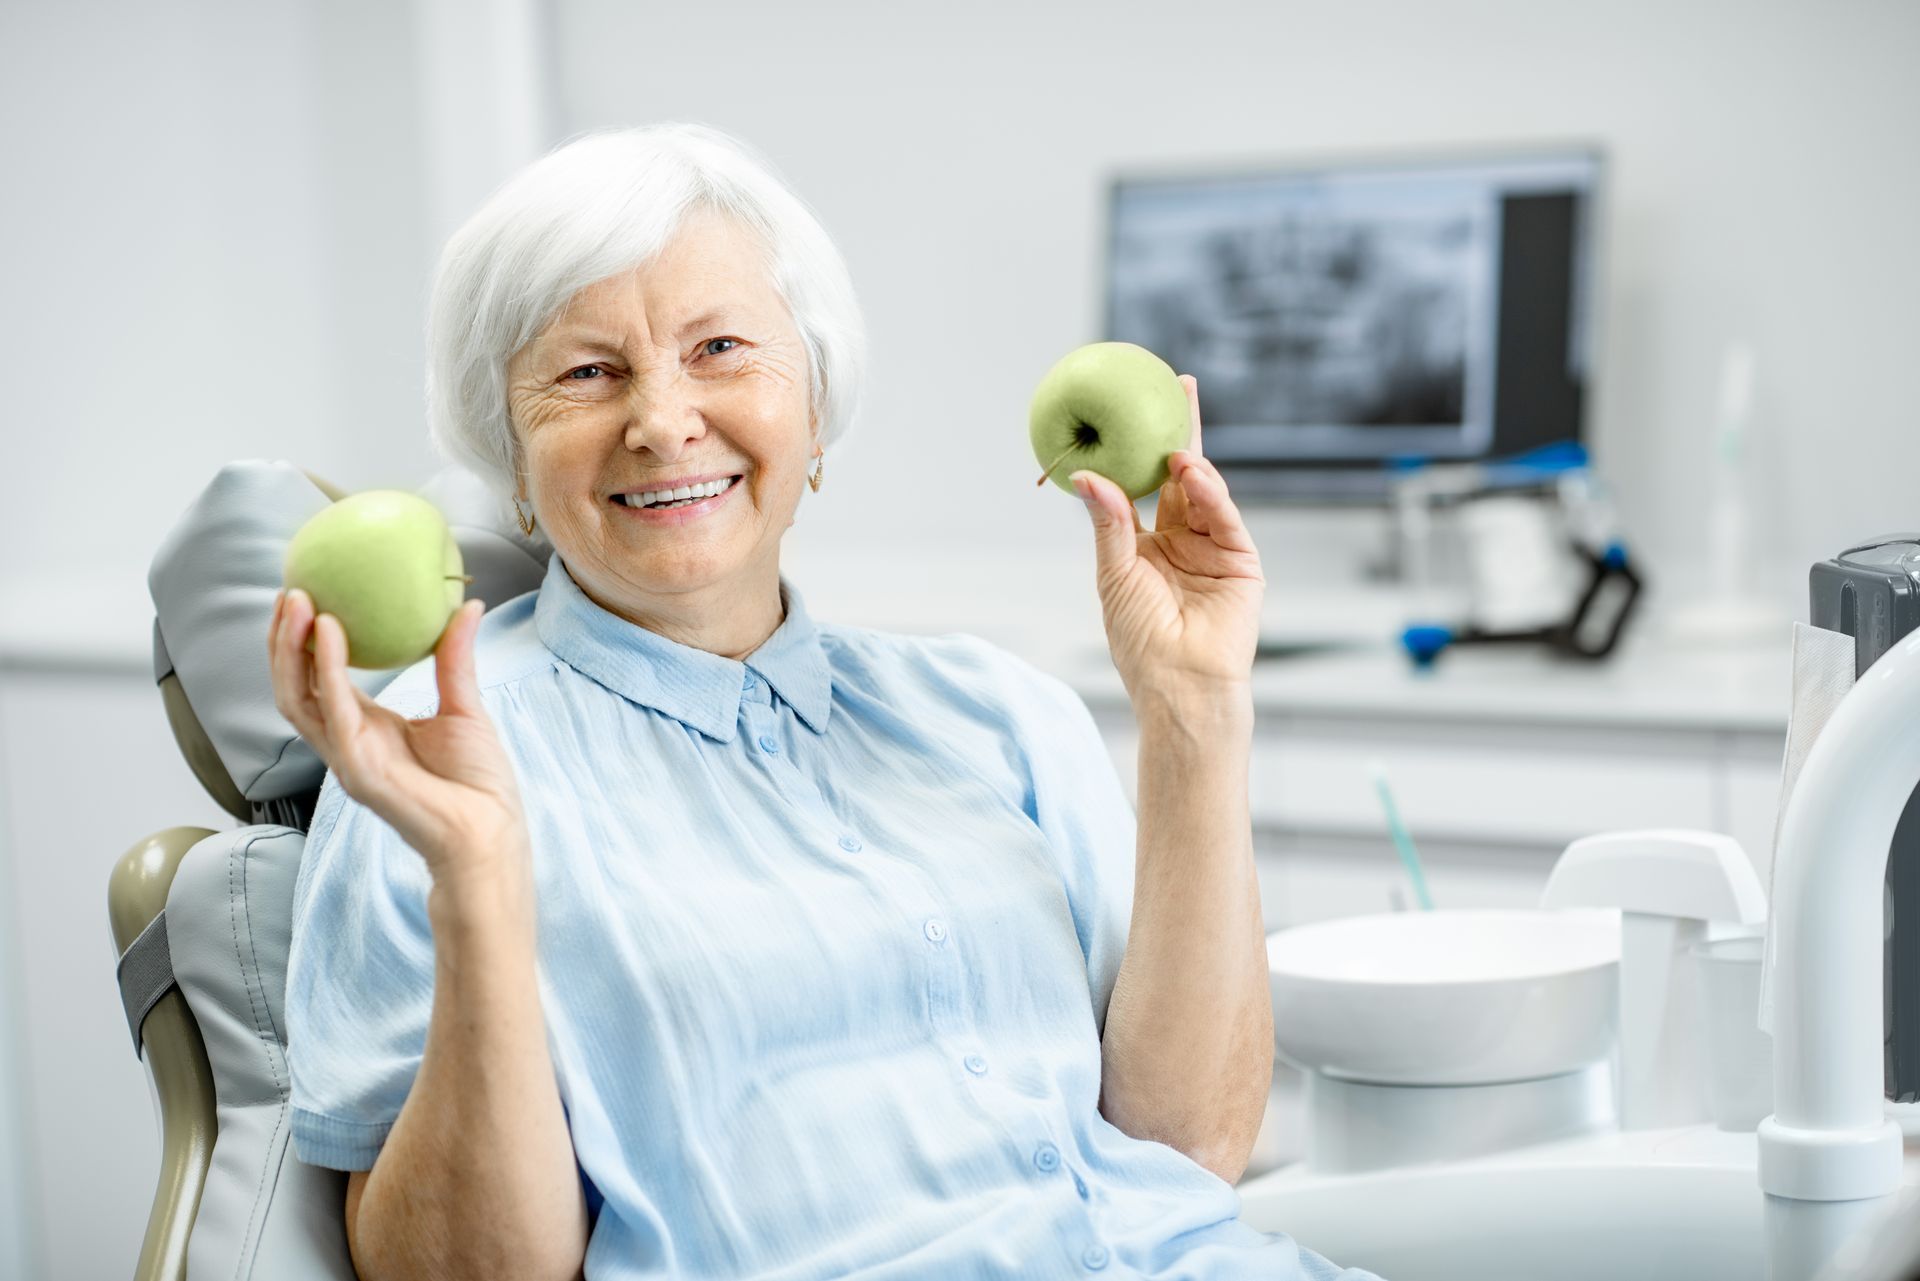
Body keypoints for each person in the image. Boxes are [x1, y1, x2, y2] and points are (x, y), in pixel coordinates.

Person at [270, 120, 1382, 1281]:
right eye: (588, 372)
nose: (661, 419)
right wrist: (479, 892)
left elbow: (1188, 1151)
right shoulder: (442, 768)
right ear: (512, 455)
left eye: (719, 349)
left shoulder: (997, 714)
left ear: (813, 409)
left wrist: (1197, 712)